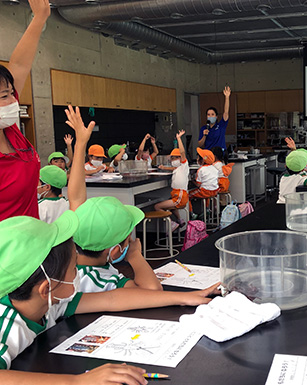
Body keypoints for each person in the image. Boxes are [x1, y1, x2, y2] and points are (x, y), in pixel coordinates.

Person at [0, 214, 220, 382]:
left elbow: (112, 299)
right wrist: (78, 382)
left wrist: (184, 298)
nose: (79, 272)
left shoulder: (52, 303)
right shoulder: (7, 325)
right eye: (73, 268)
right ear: (46, 288)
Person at [0, 0, 50, 222]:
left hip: (32, 244)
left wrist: (40, 17)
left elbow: (19, 65)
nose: (13, 101)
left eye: (12, 93)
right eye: (4, 96)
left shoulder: (10, 130)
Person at [74, 196, 162, 292]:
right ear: (115, 251)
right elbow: (152, 291)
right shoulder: (101, 283)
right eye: (129, 240)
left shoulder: (69, 268)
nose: (131, 243)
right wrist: (134, 254)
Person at [155, 130, 190, 231]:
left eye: (174, 158)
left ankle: (171, 224)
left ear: (180, 158)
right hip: (177, 195)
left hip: (179, 196)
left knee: (157, 206)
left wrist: (179, 138)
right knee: (169, 205)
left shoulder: (184, 165)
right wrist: (163, 168)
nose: (172, 161)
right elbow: (173, 169)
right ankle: (180, 220)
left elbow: (182, 152)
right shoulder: (179, 168)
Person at [198, 86, 231, 151]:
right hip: (208, 155)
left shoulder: (221, 125)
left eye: (212, 114)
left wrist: (227, 97)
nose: (210, 116)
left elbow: (226, 112)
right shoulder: (204, 128)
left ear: (216, 117)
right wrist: (204, 135)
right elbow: (200, 144)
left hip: (220, 155)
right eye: (208, 115)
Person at [189, 148, 219, 215]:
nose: (197, 159)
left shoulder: (201, 169)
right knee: (207, 189)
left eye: (198, 158)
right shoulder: (214, 168)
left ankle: (191, 213)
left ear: (202, 160)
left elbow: (198, 185)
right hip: (215, 191)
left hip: (205, 192)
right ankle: (207, 209)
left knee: (187, 196)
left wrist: (192, 180)